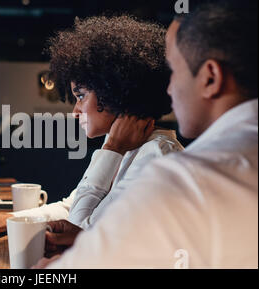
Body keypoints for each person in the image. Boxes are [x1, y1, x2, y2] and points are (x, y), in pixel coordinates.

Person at [36, 0, 258, 268]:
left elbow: (79, 251)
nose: (168, 89)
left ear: (210, 78)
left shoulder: (178, 173)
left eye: (174, 71)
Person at [0, 16, 183, 235]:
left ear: (115, 92)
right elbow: (71, 206)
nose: (75, 111)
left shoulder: (155, 157)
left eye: (81, 96)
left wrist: (111, 149)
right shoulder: (132, 146)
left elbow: (79, 229)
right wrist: (12, 219)